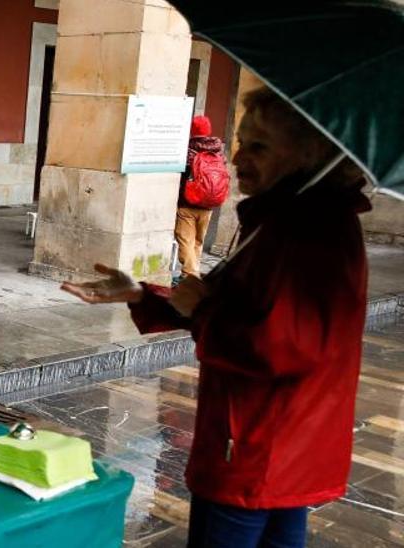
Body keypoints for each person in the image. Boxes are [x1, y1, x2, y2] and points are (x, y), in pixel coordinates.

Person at [63, 87, 371, 548]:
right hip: (280, 445)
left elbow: (286, 346)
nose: (238, 158)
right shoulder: (285, 219)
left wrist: (203, 309)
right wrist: (143, 295)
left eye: (260, 146)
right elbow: (235, 304)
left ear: (311, 154)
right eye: (242, 142)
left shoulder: (308, 233)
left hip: (256, 444)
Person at [175, 115, 226, 282]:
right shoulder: (218, 151)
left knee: (185, 240)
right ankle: (189, 273)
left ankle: (190, 276)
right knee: (197, 241)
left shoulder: (188, 150)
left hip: (188, 203)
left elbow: (181, 175)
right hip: (209, 204)